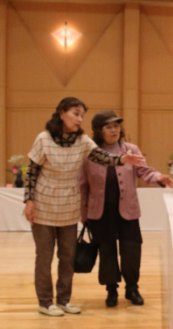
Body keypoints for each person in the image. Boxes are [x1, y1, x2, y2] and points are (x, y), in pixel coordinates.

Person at [24, 97, 146, 317]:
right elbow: (31, 172)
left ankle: (63, 300)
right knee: (44, 256)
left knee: (68, 256)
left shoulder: (82, 141)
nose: (79, 119)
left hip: (69, 206)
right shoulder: (43, 139)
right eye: (75, 113)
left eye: (82, 115)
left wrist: (122, 159)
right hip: (44, 205)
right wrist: (29, 201)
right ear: (61, 113)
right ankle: (45, 301)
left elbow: (103, 156)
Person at [79, 110, 173, 308]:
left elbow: (144, 171)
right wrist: (83, 213)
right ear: (98, 130)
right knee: (107, 252)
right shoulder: (90, 153)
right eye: (108, 126)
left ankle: (132, 288)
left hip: (127, 210)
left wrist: (158, 178)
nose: (114, 130)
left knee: (132, 249)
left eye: (116, 125)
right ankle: (111, 289)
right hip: (100, 212)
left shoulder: (130, 149)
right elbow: (82, 186)